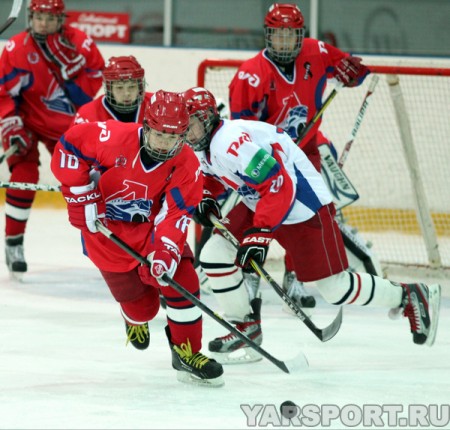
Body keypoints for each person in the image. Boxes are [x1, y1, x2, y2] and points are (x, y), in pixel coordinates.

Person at [184, 86, 441, 364]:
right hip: (261, 201)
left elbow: (279, 183)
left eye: (192, 125)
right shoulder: (205, 146)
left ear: (208, 118)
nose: (187, 133)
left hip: (302, 204)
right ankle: (244, 325)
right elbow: (212, 178)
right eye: (184, 127)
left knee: (336, 289)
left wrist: (260, 233)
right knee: (214, 254)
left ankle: (409, 294)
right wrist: (205, 197)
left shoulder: (230, 142)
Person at [50, 90, 224, 387]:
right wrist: (81, 195)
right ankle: (132, 318)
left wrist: (165, 253)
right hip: (106, 236)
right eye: (158, 136)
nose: (164, 145)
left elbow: (174, 215)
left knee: (183, 282)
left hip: (150, 232)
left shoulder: (186, 165)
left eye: (173, 138)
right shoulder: (111, 136)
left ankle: (187, 352)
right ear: (146, 125)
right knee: (144, 309)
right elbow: (68, 147)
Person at [227, 3, 370, 308]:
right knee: (257, 214)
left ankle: (295, 278)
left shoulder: (316, 52)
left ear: (300, 35)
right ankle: (250, 274)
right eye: (278, 35)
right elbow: (240, 132)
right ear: (268, 35)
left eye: (290, 35)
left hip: (304, 152)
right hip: (266, 159)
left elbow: (356, 72)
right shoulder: (250, 76)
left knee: (305, 217)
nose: (284, 42)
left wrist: (353, 73)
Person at [0, 0, 105, 279]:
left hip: (68, 129)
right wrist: (11, 125)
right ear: (30, 18)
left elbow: (92, 90)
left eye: (50, 17)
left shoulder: (80, 44)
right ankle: (14, 243)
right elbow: (3, 93)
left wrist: (71, 77)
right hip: (28, 124)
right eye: (38, 17)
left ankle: (105, 248)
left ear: (61, 19)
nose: (43, 23)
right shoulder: (16, 49)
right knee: (24, 173)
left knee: (88, 182)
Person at [72, 55, 152, 126]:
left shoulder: (156, 105)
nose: (127, 93)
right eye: (119, 87)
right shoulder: (88, 114)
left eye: (132, 87)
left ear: (140, 87)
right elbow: (70, 142)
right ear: (109, 89)